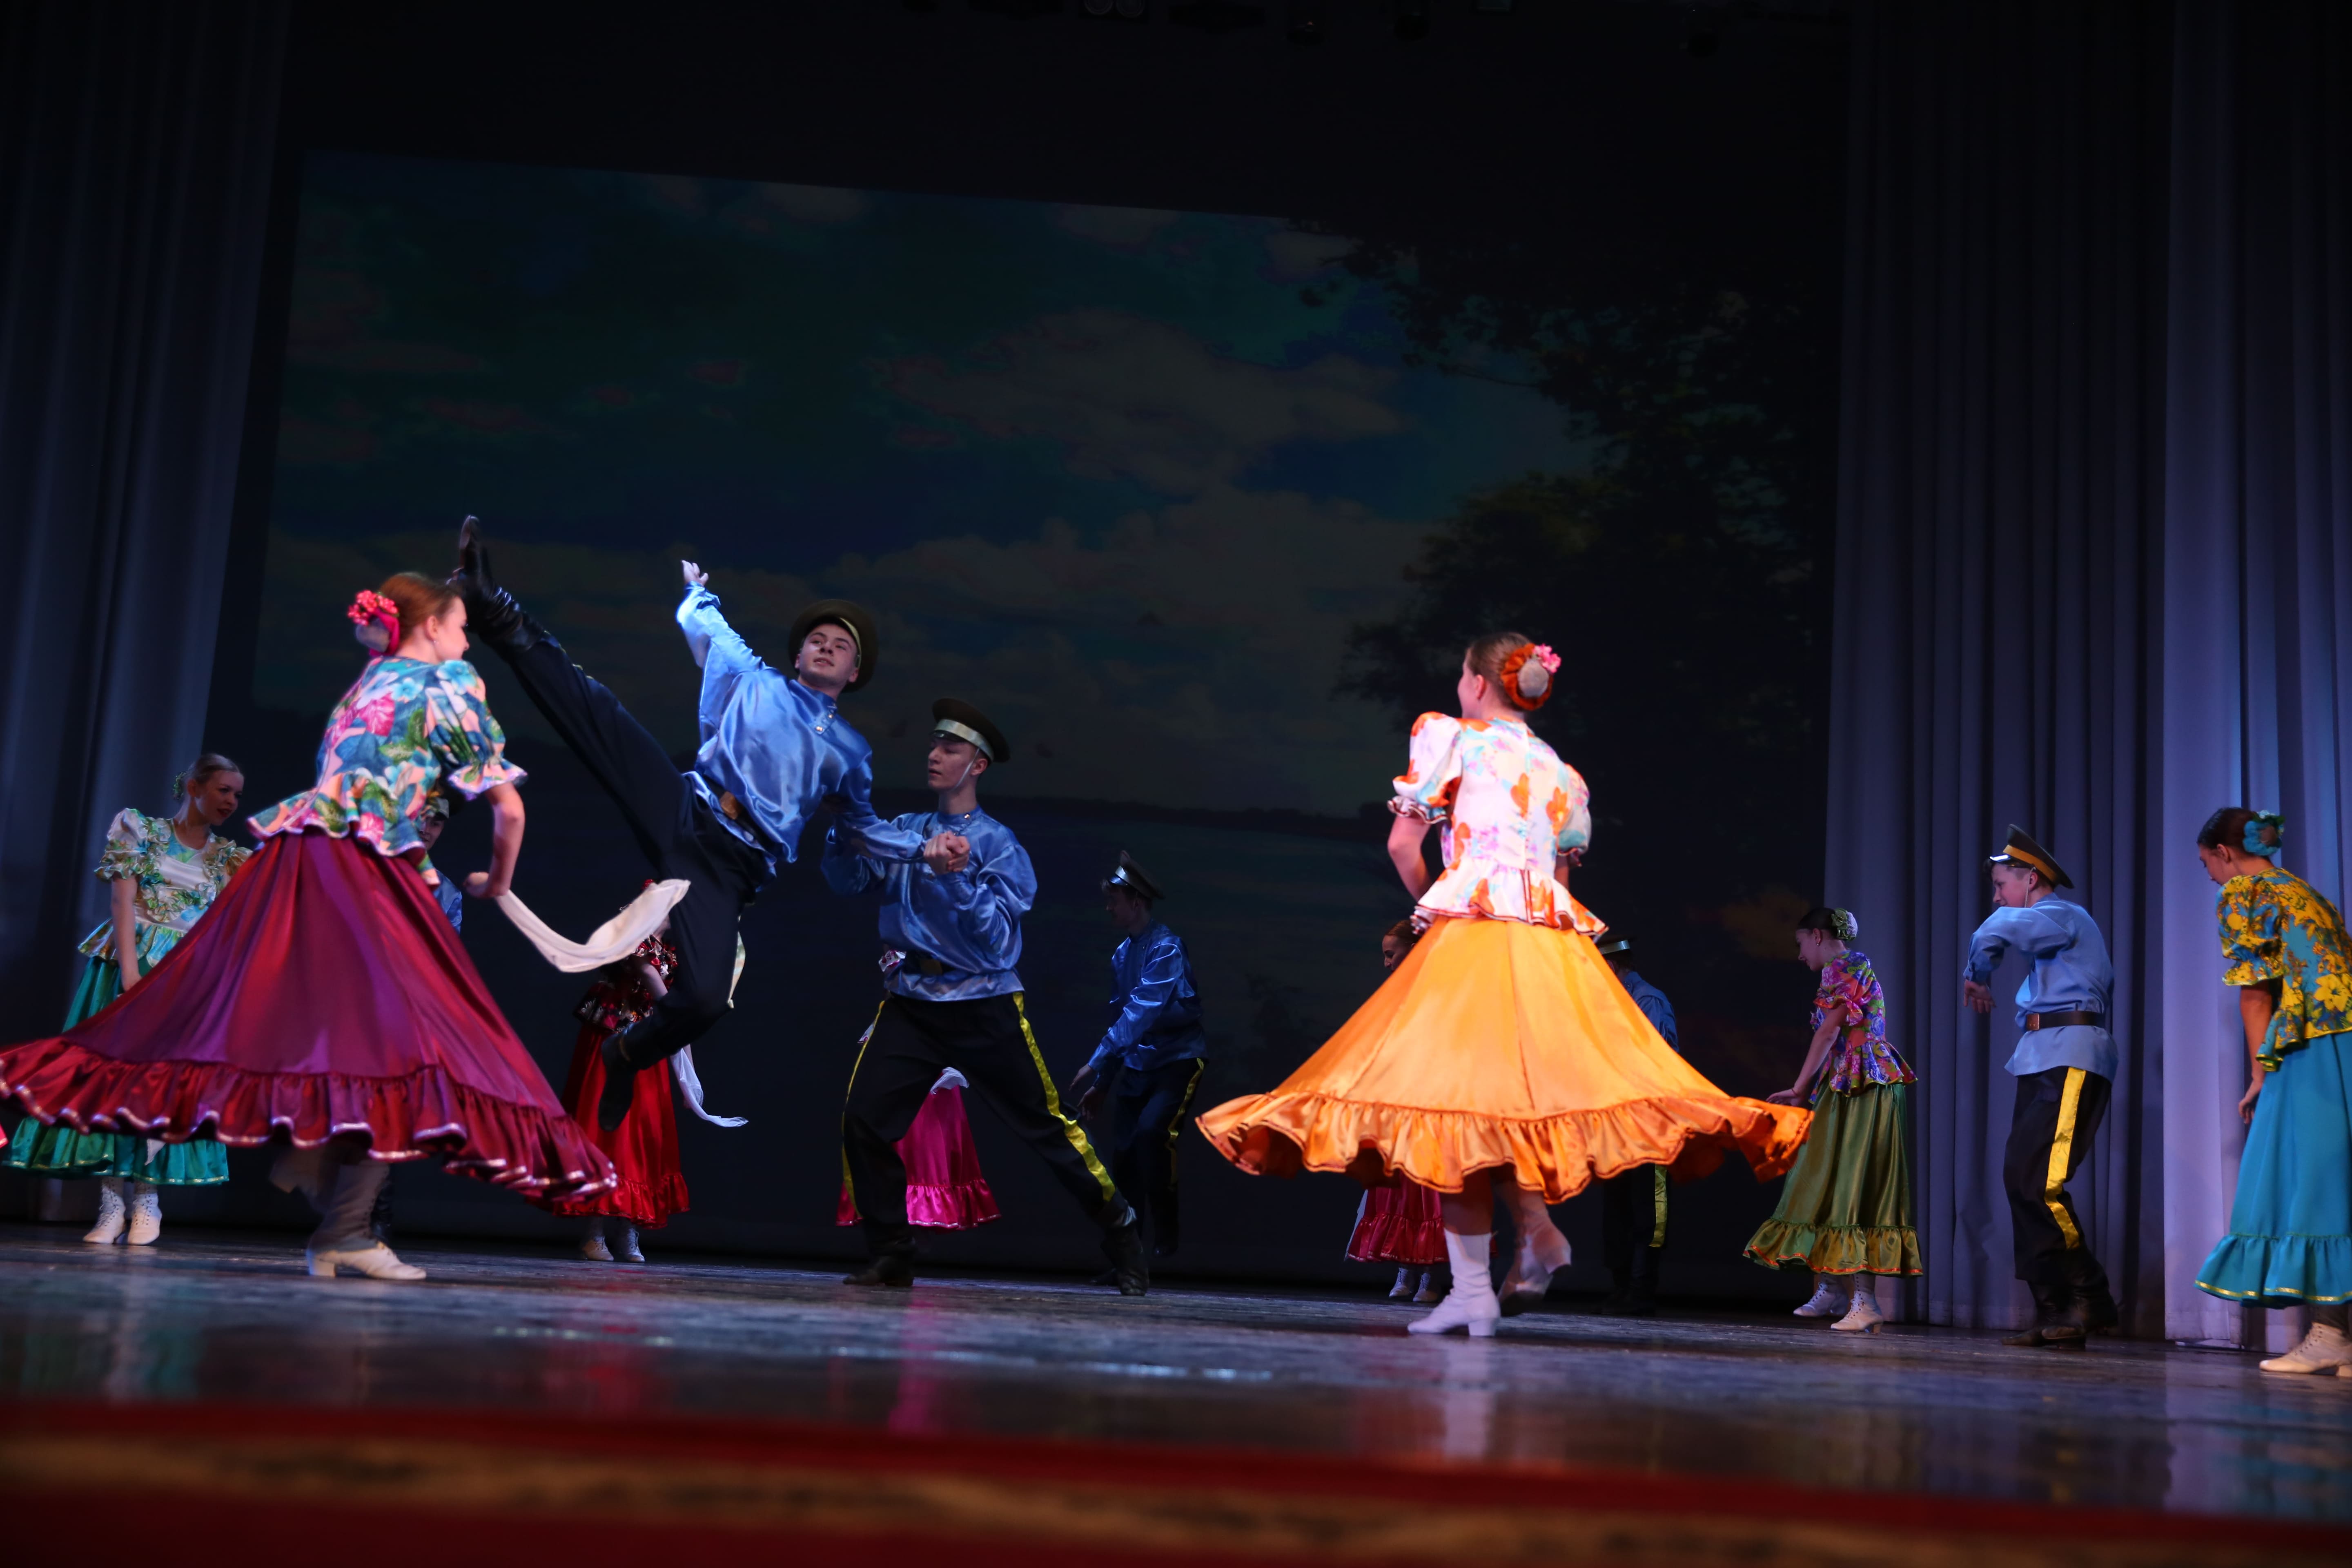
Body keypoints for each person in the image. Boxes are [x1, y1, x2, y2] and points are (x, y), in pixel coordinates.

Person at [0, 575, 612, 1282]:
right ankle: (337, 1210)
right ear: (432, 628)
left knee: (354, 1037)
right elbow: (509, 809)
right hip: (363, 872)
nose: (468, 642)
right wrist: (496, 883)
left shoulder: (369, 681)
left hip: (300, 865)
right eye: (461, 626)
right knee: (418, 1041)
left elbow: (363, 785)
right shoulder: (449, 681)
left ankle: (328, 1195)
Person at [1198, 633, 1807, 1336]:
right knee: (1498, 1107)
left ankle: (1480, 1283)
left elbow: (1403, 845)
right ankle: (1518, 1249)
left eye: (1463, 674)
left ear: (1480, 683)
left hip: (1476, 938)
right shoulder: (1563, 774)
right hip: (1549, 951)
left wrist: (1433, 910)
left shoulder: (1452, 736)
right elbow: (1560, 884)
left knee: (1450, 1106)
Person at [449, 521, 954, 1131]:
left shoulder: (851, 752)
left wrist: (924, 849)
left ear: (854, 672)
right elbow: (708, 626)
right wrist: (698, 592)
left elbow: (863, 830)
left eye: (840, 646)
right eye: (816, 640)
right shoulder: (755, 678)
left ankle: (627, 1053)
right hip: (687, 807)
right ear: (797, 655)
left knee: (708, 999)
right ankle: (492, 605)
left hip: (730, 866)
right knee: (597, 707)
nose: (825, 648)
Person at [826, 699, 1147, 1293]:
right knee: (864, 1120)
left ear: (976, 765)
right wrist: (844, 834)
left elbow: (998, 946)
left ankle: (1121, 1229)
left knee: (1046, 1127)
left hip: (983, 1005)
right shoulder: (906, 831)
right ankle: (892, 1252)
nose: (934, 754)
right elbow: (848, 881)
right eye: (933, 744)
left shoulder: (999, 844)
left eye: (949, 748)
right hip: (912, 1003)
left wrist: (956, 880)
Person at [4, 755, 247, 1244]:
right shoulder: (141, 831)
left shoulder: (227, 857)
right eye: (223, 790)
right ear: (194, 787)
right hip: (126, 964)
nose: (231, 802)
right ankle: (112, 1202)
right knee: (110, 1081)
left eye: (237, 795)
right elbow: (123, 901)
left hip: (182, 976)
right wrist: (132, 973)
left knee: (163, 1086)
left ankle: (148, 1201)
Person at [2189, 808, 2352, 1376]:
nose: (2211, 876)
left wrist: (2261, 1071)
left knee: (2311, 1180)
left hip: (2314, 1041)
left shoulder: (2245, 891)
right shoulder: (2303, 890)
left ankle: (2331, 1335)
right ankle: (2338, 1336)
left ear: (2224, 853)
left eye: (2207, 863)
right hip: (2346, 1034)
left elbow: (2256, 991)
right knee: (2338, 1177)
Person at [1963, 826, 2121, 1348]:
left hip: (2071, 1052)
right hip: (2041, 1054)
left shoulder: (2062, 915)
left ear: (2031, 878)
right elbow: (2002, 926)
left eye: (2001, 884)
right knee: (2021, 1179)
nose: (1997, 897)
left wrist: (1978, 973)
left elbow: (2000, 928)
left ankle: (2090, 1296)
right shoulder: (2045, 922)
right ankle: (2056, 1309)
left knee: (2040, 1183)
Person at [1744, 909, 1921, 1333]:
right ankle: (1833, 1286)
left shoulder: (1845, 966)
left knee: (1855, 1184)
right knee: (1827, 1177)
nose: (1800, 954)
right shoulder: (1845, 968)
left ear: (1818, 936)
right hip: (1846, 1082)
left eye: (1801, 943)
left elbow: (1827, 1033)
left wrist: (1800, 1086)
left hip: (1863, 1084)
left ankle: (1865, 1300)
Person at [1070, 852, 1205, 1265]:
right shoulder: (1121, 955)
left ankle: (1167, 1225)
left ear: (1136, 902)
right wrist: (1103, 1083)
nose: (1108, 908)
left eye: (1114, 901)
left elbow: (1142, 1010)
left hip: (1177, 1061)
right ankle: (1127, 1258)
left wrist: (1097, 1060)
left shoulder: (1166, 949)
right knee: (1125, 1158)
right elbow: (1121, 1018)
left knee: (1152, 1136)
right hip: (1137, 1064)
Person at [548, 919, 689, 1262]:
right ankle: (594, 1232)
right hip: (614, 1040)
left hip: (647, 1046)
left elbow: (681, 1020)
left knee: (641, 1136)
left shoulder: (673, 950)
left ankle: (628, 1228)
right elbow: (658, 988)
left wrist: (689, 1082)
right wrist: (682, 1013)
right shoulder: (636, 931)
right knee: (606, 1133)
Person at [1345, 921, 1448, 1304]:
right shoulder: (1396, 994)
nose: (1387, 963)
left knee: (1431, 1186)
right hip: (1400, 1097)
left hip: (1434, 1097)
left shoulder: (1441, 990)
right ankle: (1406, 1266)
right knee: (1401, 1185)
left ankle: (1431, 1275)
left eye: (1391, 954)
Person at [1591, 936, 1681, 1318]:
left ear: (1612, 967)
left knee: (1648, 1208)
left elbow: (1652, 1060)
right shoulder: (1608, 1004)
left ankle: (1642, 1288)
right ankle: (1622, 1286)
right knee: (1617, 1207)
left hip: (1649, 1121)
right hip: (1617, 1121)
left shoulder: (1648, 1000)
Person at [835, 1065, 1000, 1234]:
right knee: (891, 1159)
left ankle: (911, 1242)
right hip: (895, 1077)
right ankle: (897, 1242)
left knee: (925, 1167)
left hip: (931, 1083)